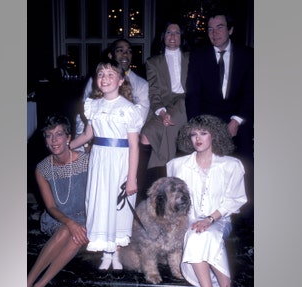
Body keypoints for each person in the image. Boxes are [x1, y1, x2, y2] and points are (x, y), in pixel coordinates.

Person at [166, 115, 247, 287]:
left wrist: (210, 219)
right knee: (196, 234)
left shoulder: (231, 165)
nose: (198, 138)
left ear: (215, 136)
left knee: (206, 235)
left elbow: (235, 199)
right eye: (193, 134)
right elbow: (172, 201)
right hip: (189, 221)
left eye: (203, 133)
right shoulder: (177, 165)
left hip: (220, 219)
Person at [69, 58, 143, 271]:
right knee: (101, 202)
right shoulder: (93, 106)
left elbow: (134, 146)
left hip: (120, 161)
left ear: (121, 80)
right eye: (101, 74)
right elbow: (87, 135)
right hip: (100, 161)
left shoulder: (129, 109)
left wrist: (131, 178)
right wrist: (66, 147)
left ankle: (116, 252)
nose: (105, 78)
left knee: (117, 206)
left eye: (111, 74)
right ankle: (105, 251)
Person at [185, 9, 254, 217]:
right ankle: (211, 212)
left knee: (242, 167)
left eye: (220, 27)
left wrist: (236, 120)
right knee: (211, 170)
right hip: (208, 122)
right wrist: (199, 127)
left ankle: (242, 216)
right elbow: (193, 95)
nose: (214, 33)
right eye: (210, 29)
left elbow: (252, 91)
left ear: (230, 29)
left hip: (239, 120)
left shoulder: (248, 55)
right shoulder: (199, 57)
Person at [27, 114, 90, 287]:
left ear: (68, 137)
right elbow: (52, 207)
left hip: (86, 219)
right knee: (67, 230)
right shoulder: (42, 168)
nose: (54, 140)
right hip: (57, 220)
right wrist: (69, 222)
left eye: (59, 134)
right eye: (49, 135)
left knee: (75, 233)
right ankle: (27, 285)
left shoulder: (87, 162)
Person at [136, 21, 189, 204]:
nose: (172, 37)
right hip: (162, 106)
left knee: (169, 126)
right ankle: (151, 184)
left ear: (182, 37)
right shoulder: (153, 62)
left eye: (176, 33)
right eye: (168, 33)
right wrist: (161, 112)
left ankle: (158, 188)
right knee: (146, 134)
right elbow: (154, 91)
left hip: (184, 102)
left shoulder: (192, 58)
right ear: (163, 36)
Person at [75, 38, 149, 150]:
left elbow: (139, 121)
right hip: (93, 143)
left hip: (123, 144)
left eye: (129, 51)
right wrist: (84, 144)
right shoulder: (96, 81)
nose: (125, 54)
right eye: (120, 50)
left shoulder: (141, 84)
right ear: (110, 55)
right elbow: (83, 116)